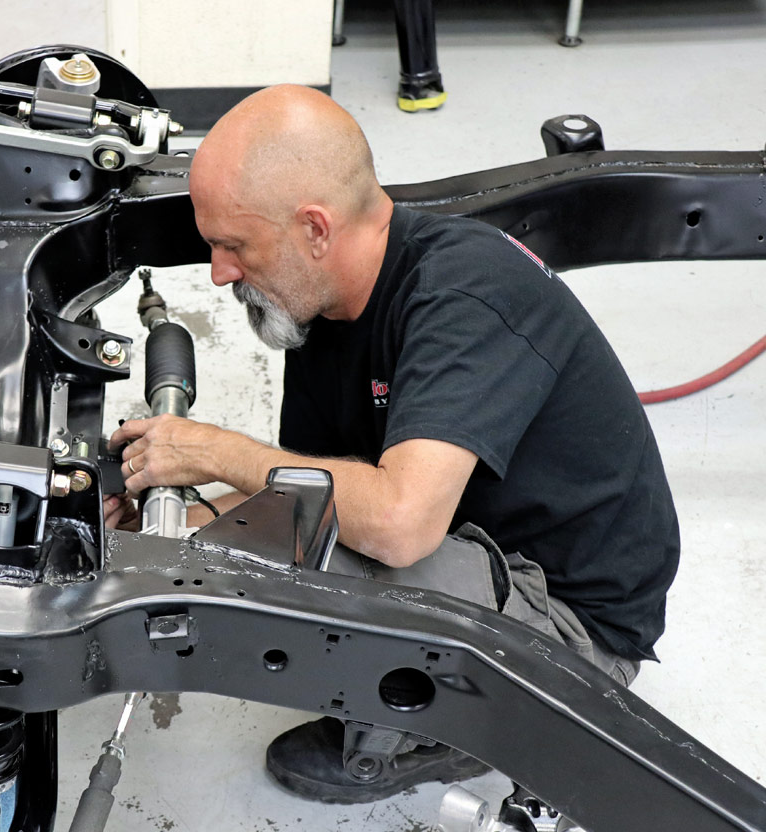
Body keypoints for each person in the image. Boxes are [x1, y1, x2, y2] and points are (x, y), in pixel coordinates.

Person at [104, 85, 680, 804]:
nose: (220, 272)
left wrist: (216, 451)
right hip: (479, 540)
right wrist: (169, 526)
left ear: (315, 229)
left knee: (299, 585)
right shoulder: (320, 303)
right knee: (280, 557)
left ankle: (421, 738)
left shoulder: (463, 293)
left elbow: (400, 525)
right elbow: (309, 495)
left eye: (233, 245)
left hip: (569, 626)